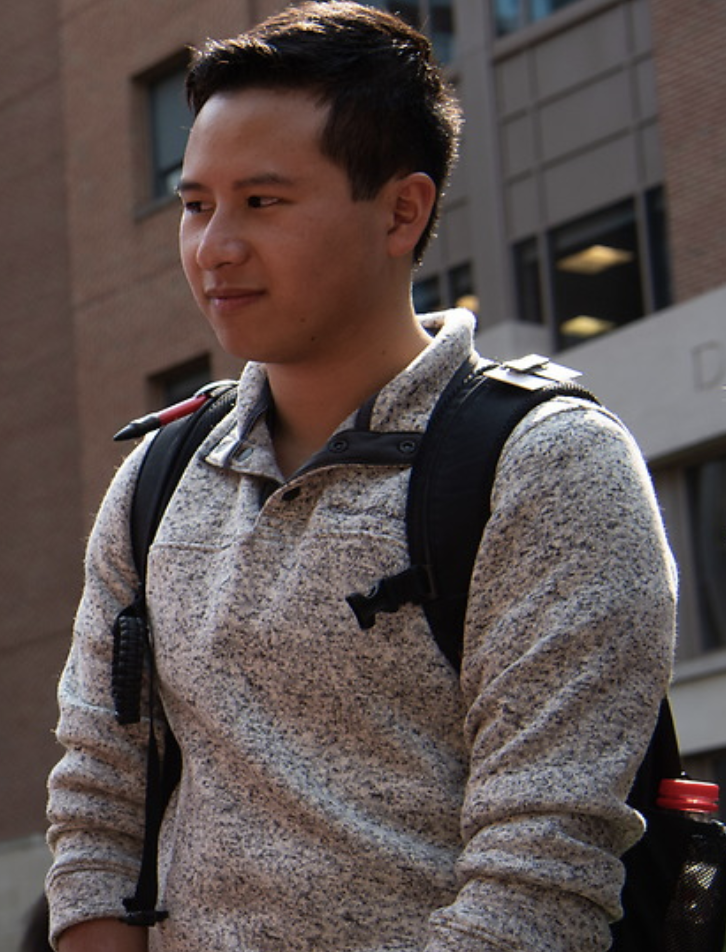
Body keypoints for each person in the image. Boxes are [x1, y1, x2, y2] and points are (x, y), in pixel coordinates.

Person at [43, 5, 676, 951]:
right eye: (194, 203)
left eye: (262, 203)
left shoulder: (546, 466)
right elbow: (96, 802)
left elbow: (544, 868)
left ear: (402, 210)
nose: (214, 247)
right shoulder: (158, 479)